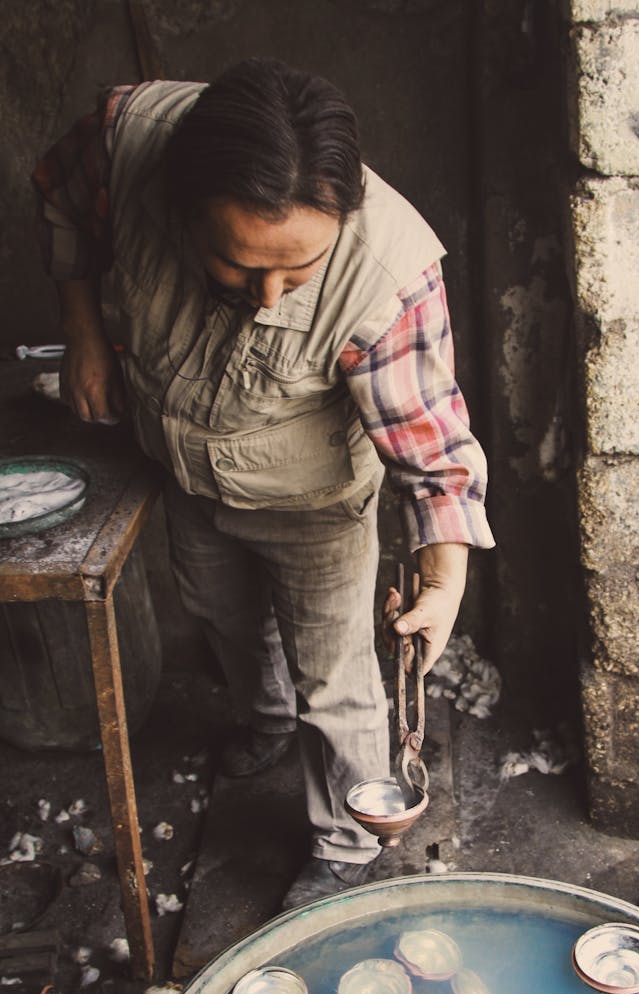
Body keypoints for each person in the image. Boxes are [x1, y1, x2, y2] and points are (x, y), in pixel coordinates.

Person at [32, 58, 495, 909]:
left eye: (298, 271)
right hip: (184, 468)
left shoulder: (387, 274)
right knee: (225, 622)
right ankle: (266, 722)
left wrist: (444, 580)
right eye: (237, 266)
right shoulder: (126, 140)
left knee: (338, 679)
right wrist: (83, 328)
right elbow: (64, 199)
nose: (267, 296)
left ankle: (349, 839)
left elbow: (435, 452)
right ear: (181, 204)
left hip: (316, 507)